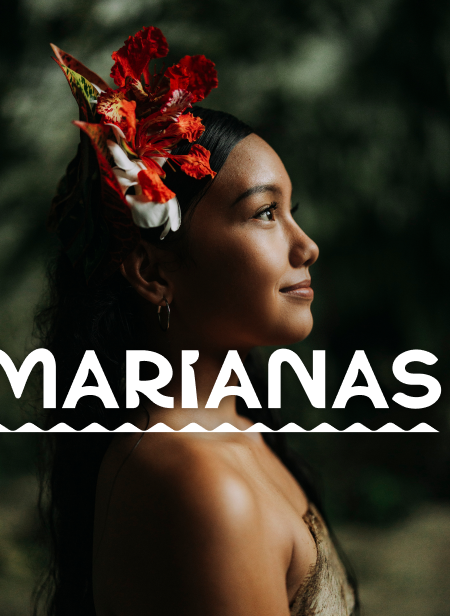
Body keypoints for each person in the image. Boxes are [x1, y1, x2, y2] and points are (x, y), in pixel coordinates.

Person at [39, 28, 355, 615]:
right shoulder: (200, 483)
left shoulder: (230, 429)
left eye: (291, 211)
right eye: (265, 213)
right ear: (153, 274)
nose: (306, 245)